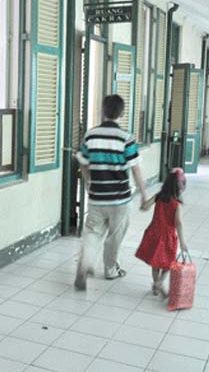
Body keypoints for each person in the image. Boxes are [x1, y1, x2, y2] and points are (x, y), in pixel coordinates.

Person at [74, 95, 147, 291]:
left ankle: (84, 266)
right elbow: (135, 169)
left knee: (92, 233)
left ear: (103, 110)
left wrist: (89, 183)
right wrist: (144, 194)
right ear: (122, 113)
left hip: (97, 196)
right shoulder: (126, 137)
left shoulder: (91, 135)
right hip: (120, 198)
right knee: (115, 235)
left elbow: (83, 162)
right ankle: (110, 269)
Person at [135, 168, 188, 298]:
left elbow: (145, 207)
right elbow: (179, 223)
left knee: (155, 263)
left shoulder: (159, 196)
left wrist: (143, 202)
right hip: (168, 237)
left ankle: (156, 285)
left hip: (154, 233)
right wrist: (182, 242)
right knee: (168, 263)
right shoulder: (176, 204)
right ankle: (159, 283)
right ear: (179, 188)